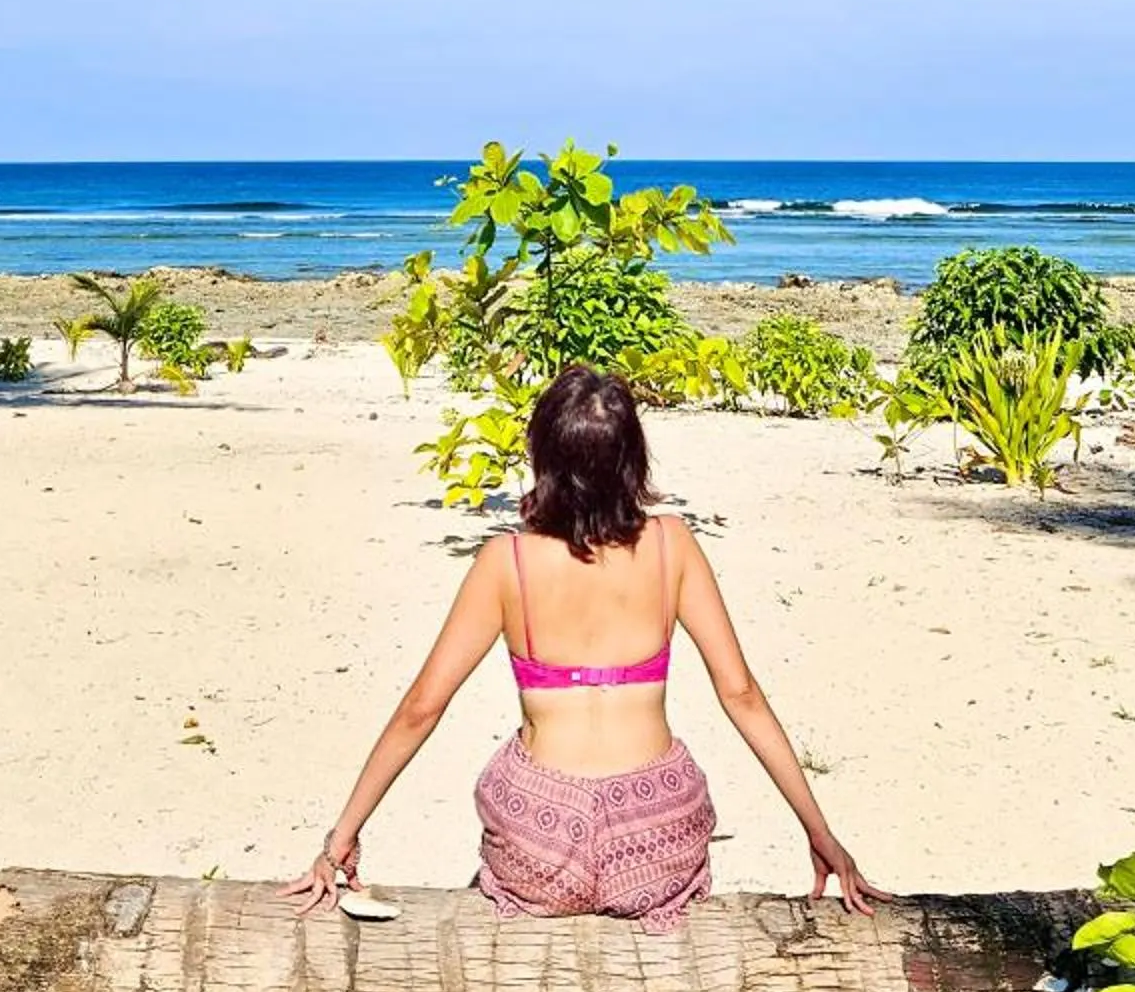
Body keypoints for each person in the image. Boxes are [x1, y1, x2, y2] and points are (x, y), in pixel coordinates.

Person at [281, 361, 876, 928]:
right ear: (631, 460)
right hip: (655, 835)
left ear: (543, 458)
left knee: (504, 806)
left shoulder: (505, 562)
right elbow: (740, 694)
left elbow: (422, 709)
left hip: (542, 841)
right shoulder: (673, 546)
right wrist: (820, 834)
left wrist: (340, 841)